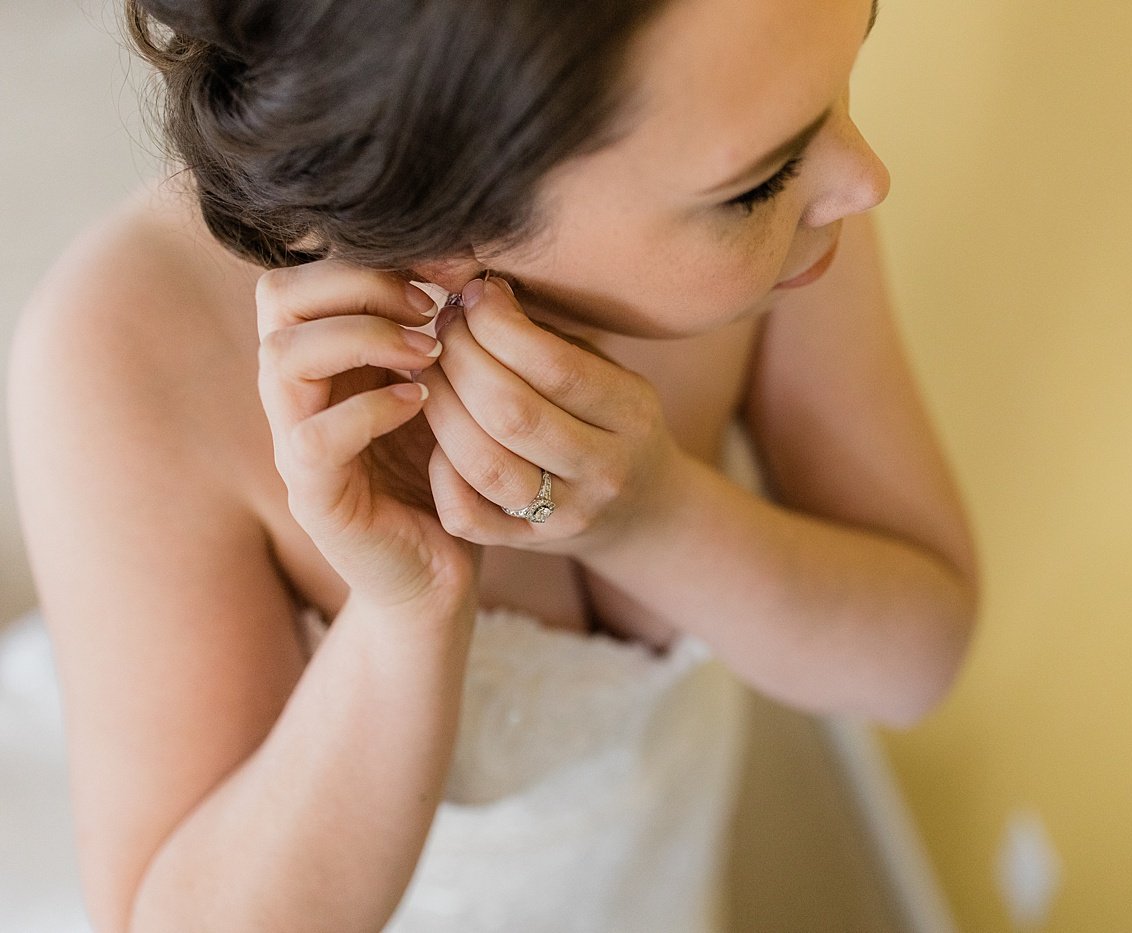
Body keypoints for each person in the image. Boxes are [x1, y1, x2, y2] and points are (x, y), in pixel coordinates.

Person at [6, 0, 979, 929]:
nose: (866, 179)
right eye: (755, 185)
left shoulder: (788, 199)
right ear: (440, 238)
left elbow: (916, 658)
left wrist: (659, 517)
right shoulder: (120, 362)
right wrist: (406, 612)